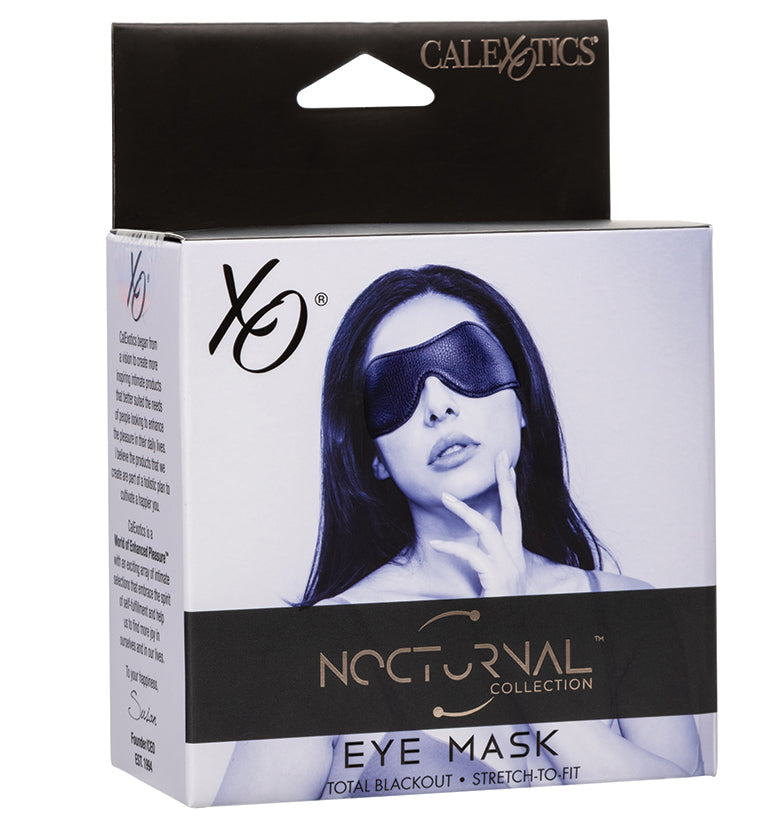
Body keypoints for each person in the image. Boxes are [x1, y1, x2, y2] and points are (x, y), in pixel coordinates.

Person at [215, 265, 702, 804]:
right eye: (395, 388)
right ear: (373, 456)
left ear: (521, 401)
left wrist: (522, 653)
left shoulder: (630, 617)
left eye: (465, 361)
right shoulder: (320, 649)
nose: (438, 406)